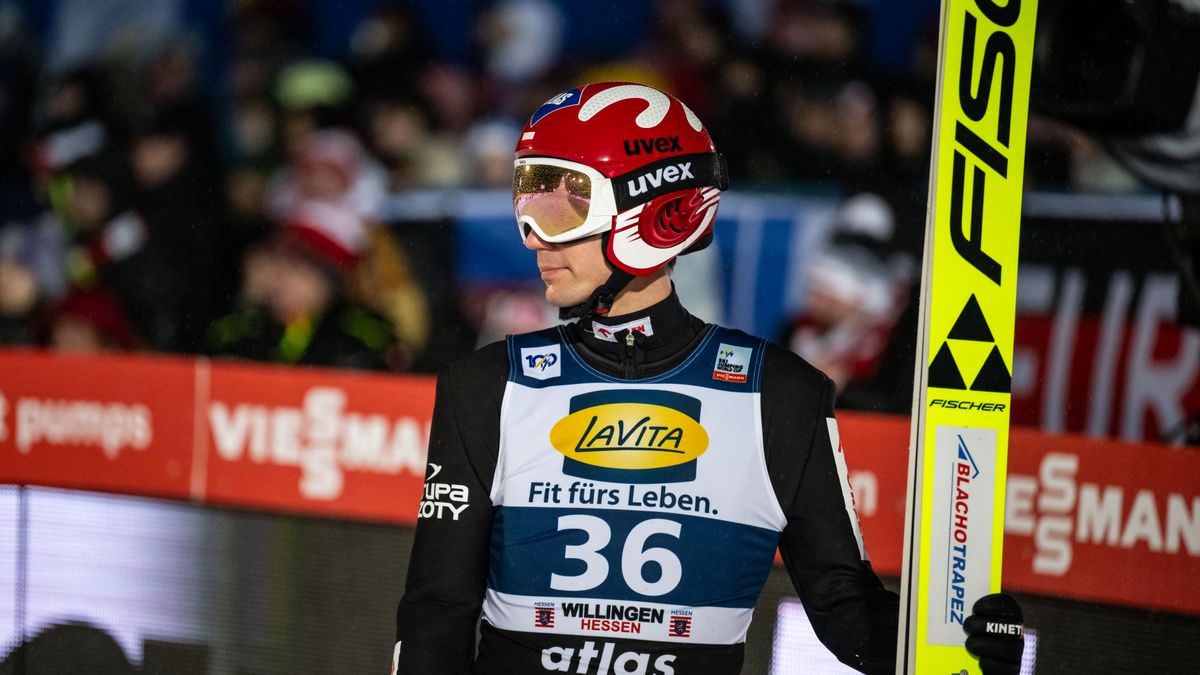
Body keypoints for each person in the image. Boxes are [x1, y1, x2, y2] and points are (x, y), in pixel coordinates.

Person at [393, 82, 1024, 675]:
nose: (534, 239)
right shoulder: (485, 386)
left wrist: (956, 649)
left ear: (651, 212)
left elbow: (846, 612)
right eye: (528, 205)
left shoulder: (779, 396)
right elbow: (436, 615)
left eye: (560, 210)